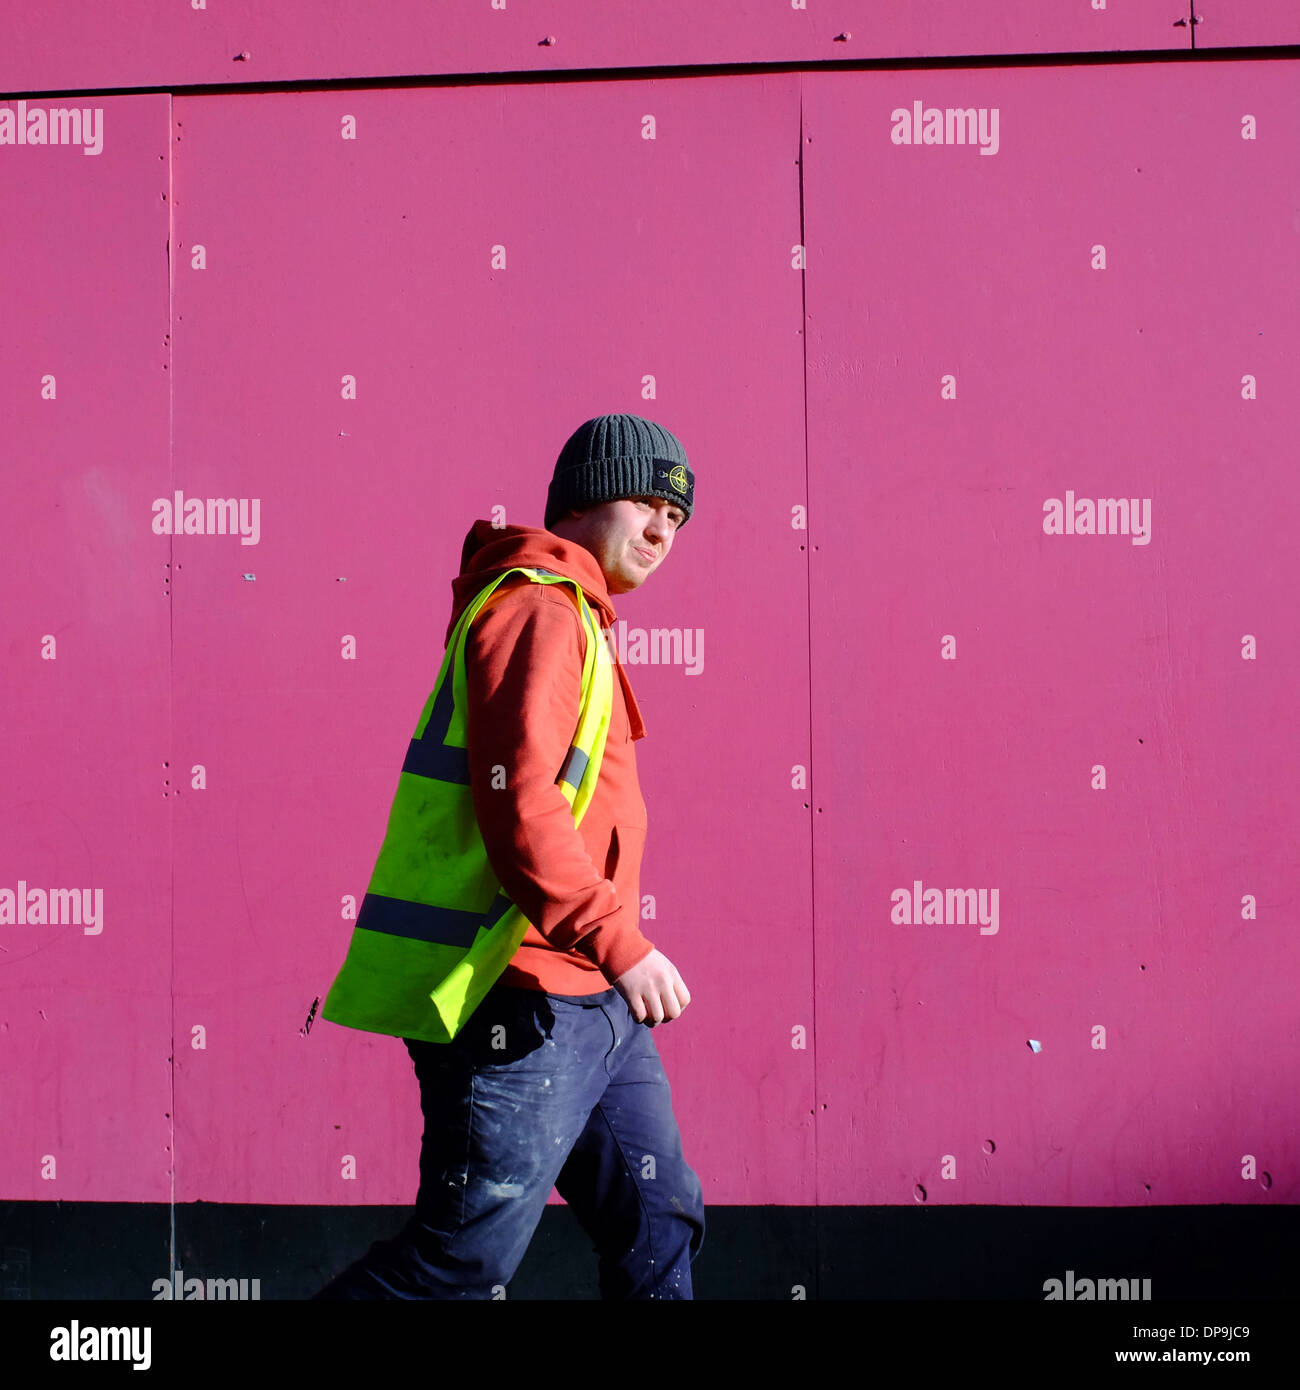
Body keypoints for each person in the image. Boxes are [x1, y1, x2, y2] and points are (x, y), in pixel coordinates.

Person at [313, 413, 705, 1299]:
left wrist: (608, 960)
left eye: (677, 520)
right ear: (583, 498)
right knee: (462, 1260)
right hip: (521, 999)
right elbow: (520, 800)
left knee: (659, 1221)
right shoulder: (538, 607)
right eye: (646, 501)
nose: (661, 531)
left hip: (591, 1001)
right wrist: (620, 939)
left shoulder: (580, 618)